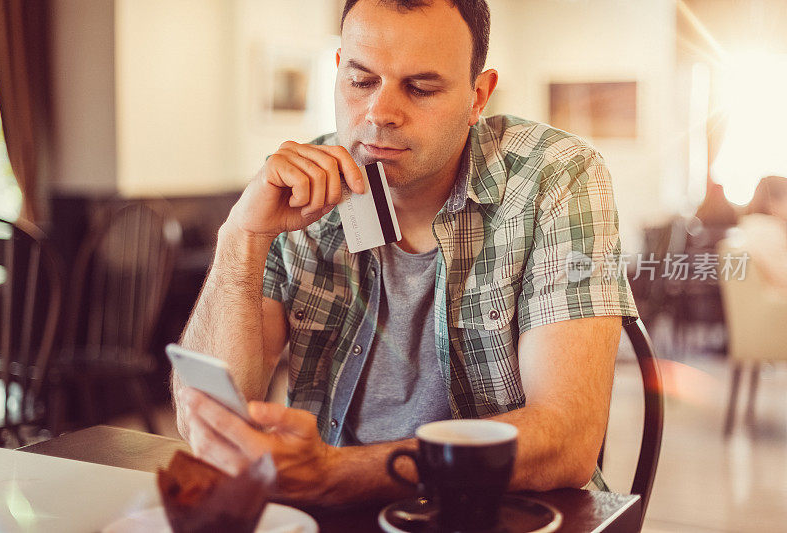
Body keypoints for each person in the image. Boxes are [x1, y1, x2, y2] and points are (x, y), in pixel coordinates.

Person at [174, 0, 637, 505]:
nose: (380, 113)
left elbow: (567, 440)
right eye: (361, 81)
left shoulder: (555, 177)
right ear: (337, 73)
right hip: (332, 509)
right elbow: (207, 416)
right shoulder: (301, 186)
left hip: (500, 512)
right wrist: (241, 238)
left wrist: (337, 473)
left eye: (420, 87)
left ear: (478, 95)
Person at [736, 176, 787, 293]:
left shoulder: (756, 227)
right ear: (772, 203)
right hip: (778, 303)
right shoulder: (766, 231)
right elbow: (783, 276)